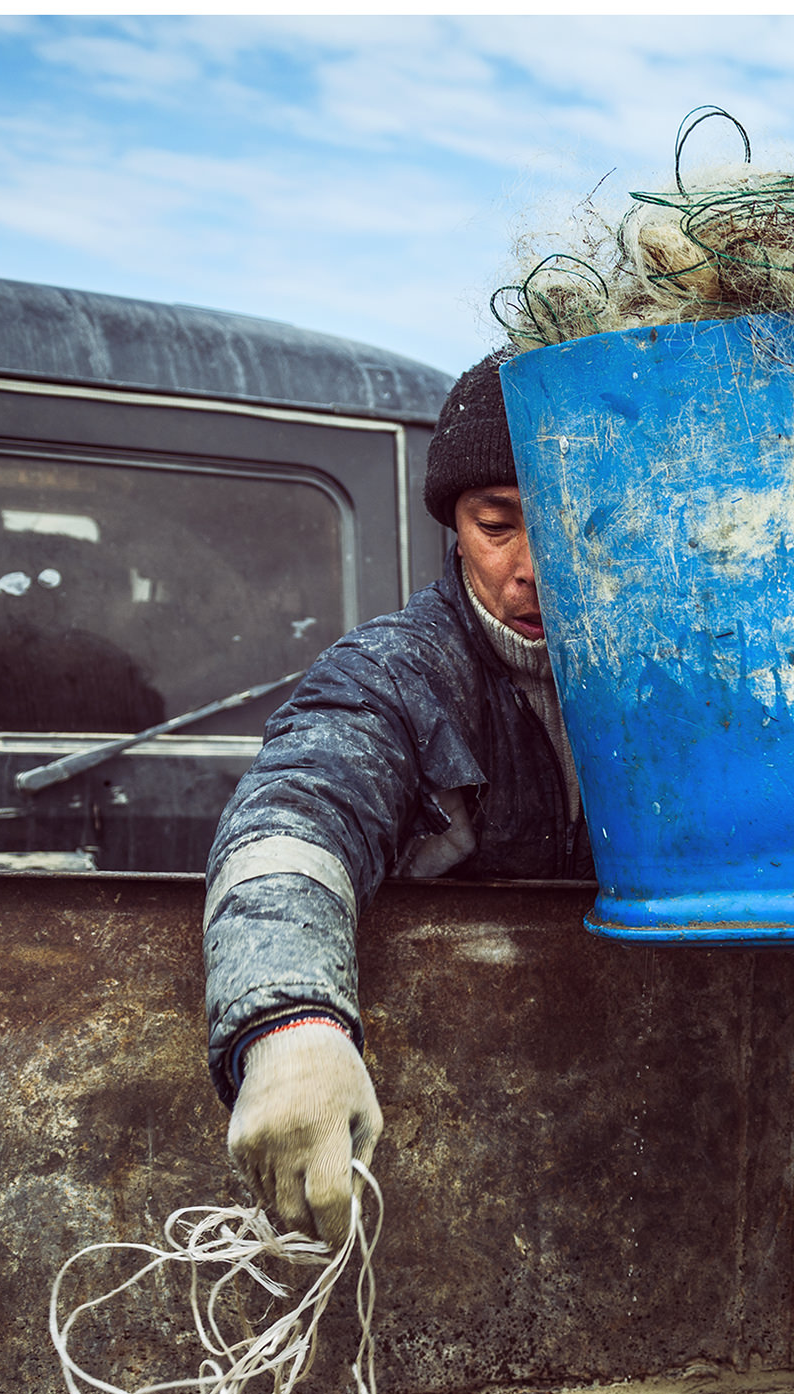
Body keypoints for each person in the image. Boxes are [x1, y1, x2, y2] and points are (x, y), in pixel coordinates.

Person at [203, 351, 590, 1246]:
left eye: (570, 523)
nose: (532, 567)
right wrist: (288, 1020)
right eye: (499, 525)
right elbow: (294, 819)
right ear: (454, 528)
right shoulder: (396, 675)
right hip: (437, 1141)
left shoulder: (690, 671)